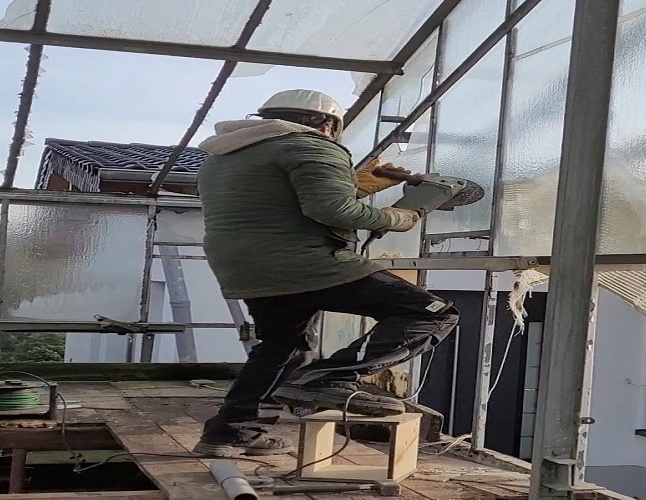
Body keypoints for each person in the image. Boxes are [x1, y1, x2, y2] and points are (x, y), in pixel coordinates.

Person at [191, 89, 459, 457]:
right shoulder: (311, 145)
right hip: (305, 263)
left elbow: (280, 202)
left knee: (281, 345)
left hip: (245, 268)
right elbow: (332, 210)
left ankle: (229, 430)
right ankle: (329, 378)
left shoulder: (223, 156)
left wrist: (351, 184)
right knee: (430, 314)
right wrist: (399, 218)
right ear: (327, 124)